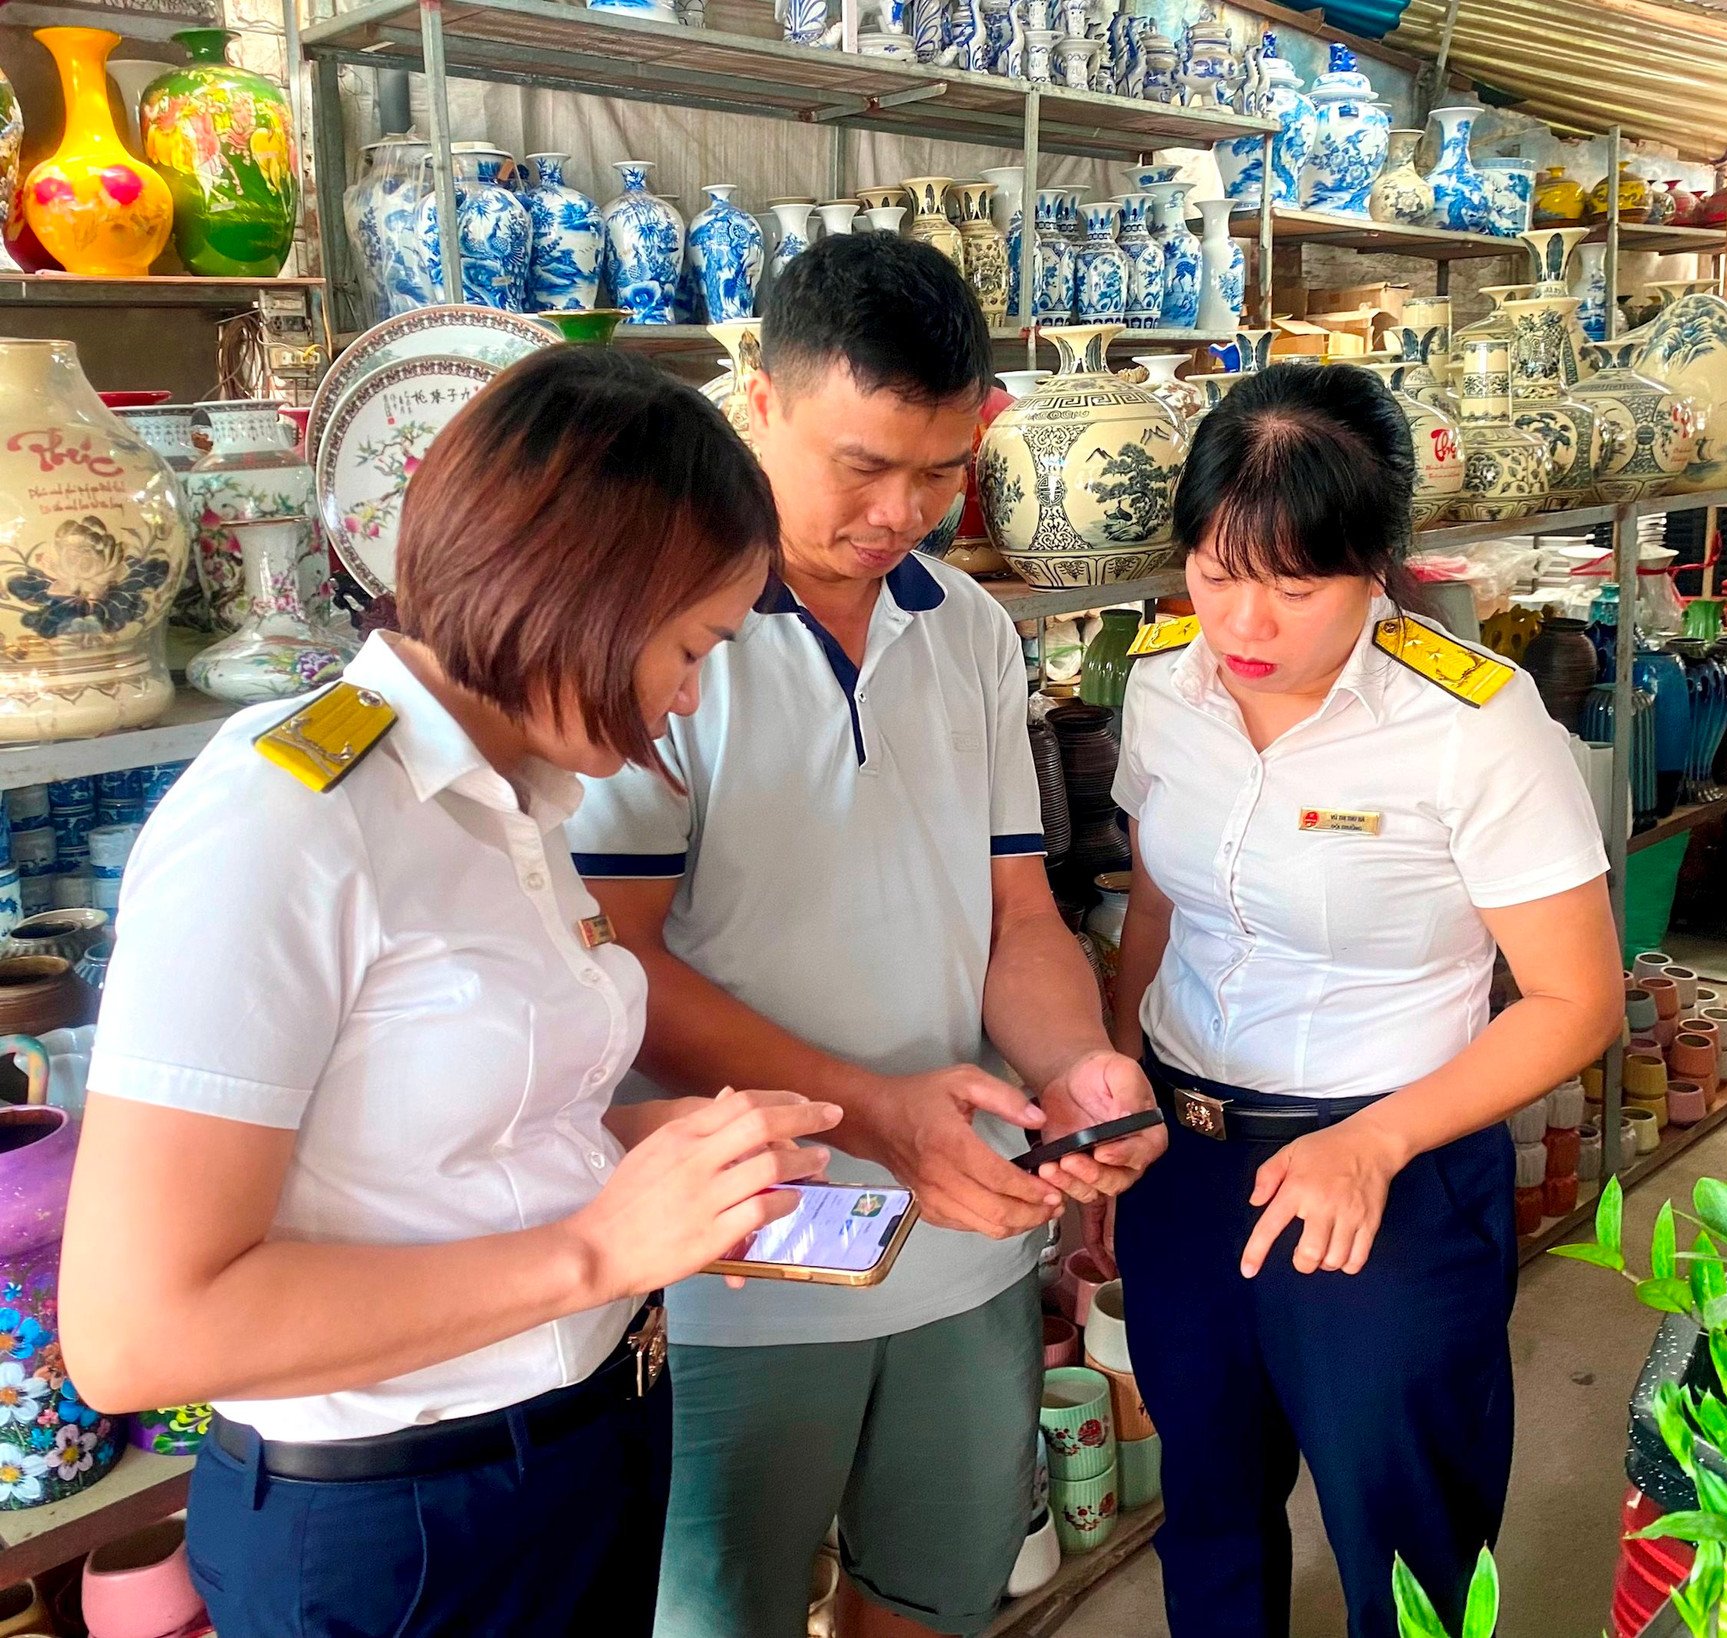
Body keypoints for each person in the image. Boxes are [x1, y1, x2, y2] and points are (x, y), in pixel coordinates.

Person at [58, 349, 843, 1636]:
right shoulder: (285, 820)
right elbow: (138, 1333)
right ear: (581, 591)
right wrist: (597, 1246)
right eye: (690, 647)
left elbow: (445, 1135)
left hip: (579, 1442)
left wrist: (661, 1161)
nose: (689, 699)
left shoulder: (517, 802)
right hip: (402, 1525)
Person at [569, 232, 1165, 1638]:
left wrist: (1077, 1062)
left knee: (935, 1596)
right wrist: (879, 1117)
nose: (903, 510)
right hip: (742, 1265)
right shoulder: (658, 632)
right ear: (757, 403)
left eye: (942, 469)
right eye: (863, 465)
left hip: (967, 1233)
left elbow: (1018, 907)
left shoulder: (962, 626)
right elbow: (616, 961)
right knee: (725, 1612)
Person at [1107, 364, 1623, 1638]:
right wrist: (1114, 1097)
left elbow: (1576, 999)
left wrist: (1375, 1140)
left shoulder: (1474, 722)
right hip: (1186, 1156)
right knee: (1211, 1513)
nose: (1247, 622)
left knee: (1408, 1540)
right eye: (1218, 574)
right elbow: (1159, 911)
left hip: (1388, 1175)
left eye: (1297, 585)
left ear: (1379, 563)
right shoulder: (1163, 681)